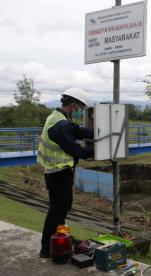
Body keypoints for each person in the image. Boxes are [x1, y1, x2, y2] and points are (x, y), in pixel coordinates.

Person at [37, 88, 94, 258]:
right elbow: (75, 149)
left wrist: (97, 132)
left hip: (59, 172)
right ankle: (47, 248)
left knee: (62, 208)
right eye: (79, 109)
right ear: (74, 105)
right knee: (57, 210)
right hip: (58, 172)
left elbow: (77, 131)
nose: (79, 112)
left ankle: (60, 237)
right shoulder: (61, 124)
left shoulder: (59, 117)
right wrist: (95, 152)